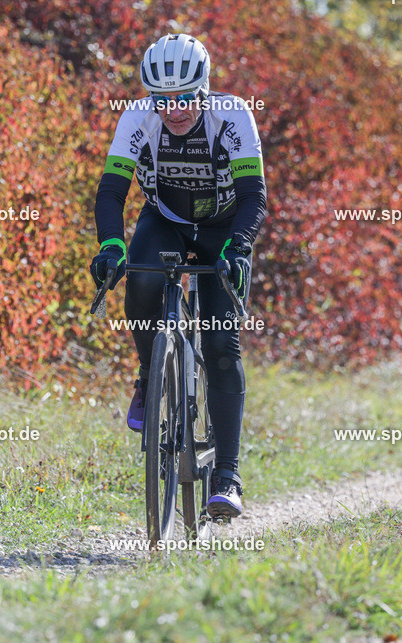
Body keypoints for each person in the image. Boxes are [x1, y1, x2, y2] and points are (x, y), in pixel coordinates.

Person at [89, 33, 267, 517]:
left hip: (224, 227)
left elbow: (254, 196)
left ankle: (227, 476)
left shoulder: (232, 115)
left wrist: (239, 247)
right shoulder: (137, 117)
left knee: (220, 344)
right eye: (163, 99)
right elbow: (111, 192)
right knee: (142, 279)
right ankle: (150, 375)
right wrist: (110, 245)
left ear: (204, 88)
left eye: (186, 97)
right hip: (165, 220)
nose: (175, 109)